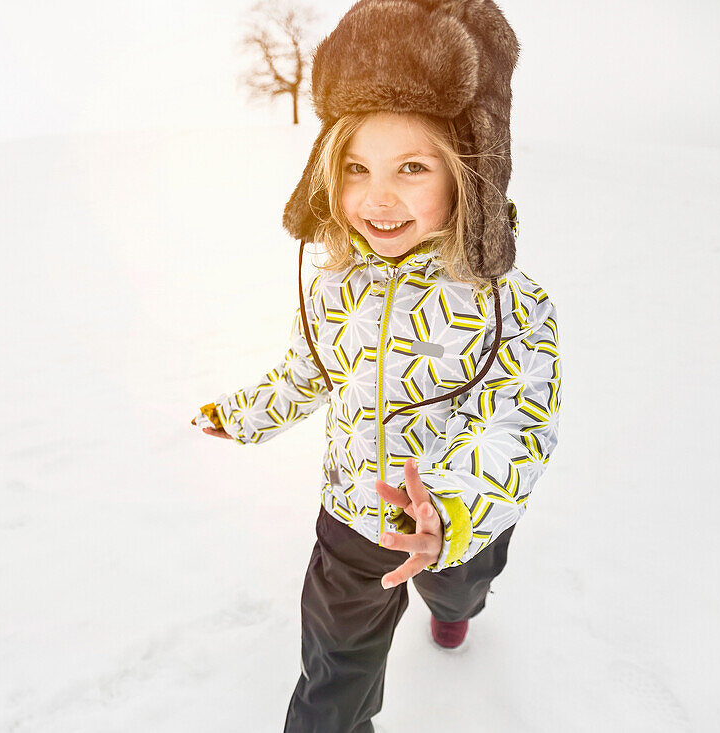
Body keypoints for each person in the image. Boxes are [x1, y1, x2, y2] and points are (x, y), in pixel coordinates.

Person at [192, 1, 561, 730]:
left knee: (458, 590)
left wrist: (451, 515)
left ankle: (457, 610)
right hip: (352, 519)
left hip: (455, 522)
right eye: (357, 168)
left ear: (468, 178)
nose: (378, 197)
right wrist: (245, 413)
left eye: (412, 168)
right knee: (333, 676)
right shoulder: (336, 283)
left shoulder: (509, 303)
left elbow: (516, 421)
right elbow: (310, 372)